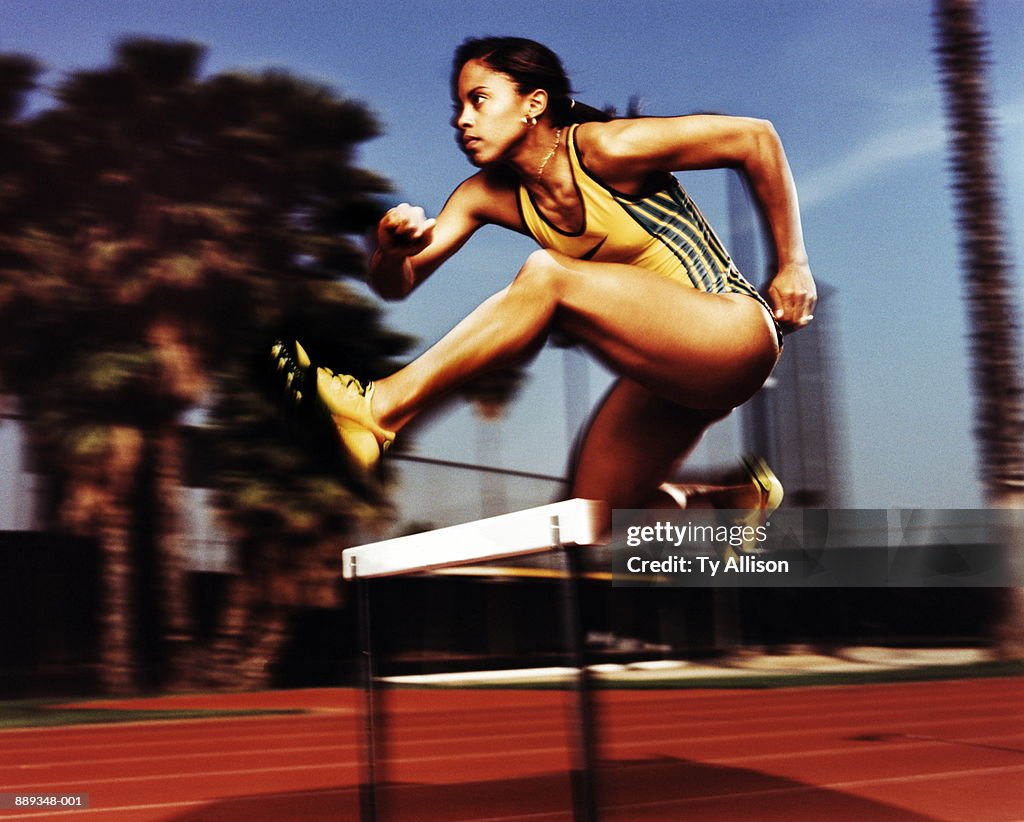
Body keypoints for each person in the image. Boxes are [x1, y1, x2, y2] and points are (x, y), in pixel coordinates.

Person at [273, 36, 816, 514]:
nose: (462, 119)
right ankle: (729, 500)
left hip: (733, 333)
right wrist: (391, 251)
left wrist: (792, 263)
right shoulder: (484, 195)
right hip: (670, 377)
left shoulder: (606, 148)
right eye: (458, 107)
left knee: (547, 274)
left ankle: (377, 411)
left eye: (478, 100)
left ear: (534, 103)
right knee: (592, 515)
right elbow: (399, 282)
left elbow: (755, 139)